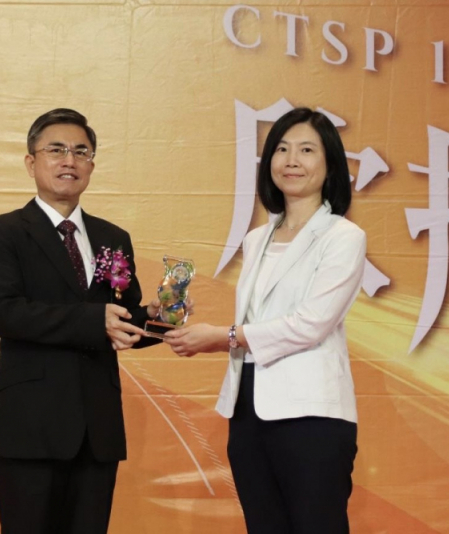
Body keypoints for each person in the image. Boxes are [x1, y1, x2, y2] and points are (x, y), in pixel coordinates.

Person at [164, 107, 366, 533]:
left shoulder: (343, 237)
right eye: (282, 149)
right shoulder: (258, 238)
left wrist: (222, 336)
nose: (291, 160)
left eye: (306, 150)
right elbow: (260, 317)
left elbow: (311, 323)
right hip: (248, 406)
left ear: (330, 165)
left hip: (311, 413)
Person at [0, 108, 160, 533]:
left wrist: (157, 319)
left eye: (81, 151)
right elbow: (6, 312)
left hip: (97, 431)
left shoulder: (113, 237)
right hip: (30, 429)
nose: (69, 160)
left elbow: (121, 319)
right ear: (31, 162)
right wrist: (96, 320)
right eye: (56, 150)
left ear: (92, 165)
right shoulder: (4, 232)